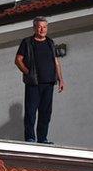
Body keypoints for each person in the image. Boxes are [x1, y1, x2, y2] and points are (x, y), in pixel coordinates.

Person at [14, 16, 65, 144]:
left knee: (46, 113)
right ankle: (30, 138)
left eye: (45, 27)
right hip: (34, 83)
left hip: (49, 83)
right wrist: (28, 72)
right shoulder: (27, 42)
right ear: (34, 28)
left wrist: (61, 79)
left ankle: (42, 138)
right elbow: (18, 60)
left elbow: (56, 62)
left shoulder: (50, 43)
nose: (42, 29)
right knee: (31, 112)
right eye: (40, 27)